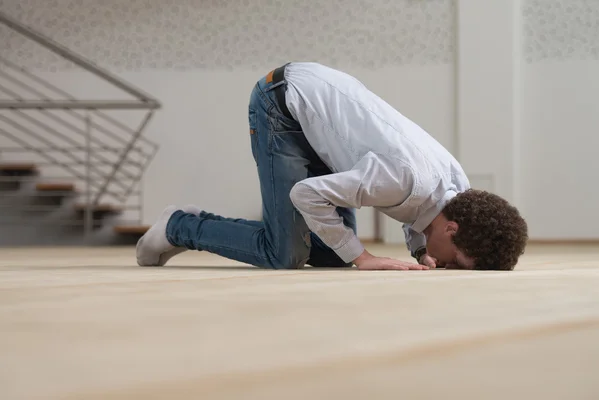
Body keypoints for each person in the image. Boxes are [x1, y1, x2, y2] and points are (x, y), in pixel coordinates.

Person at [136, 62, 528, 271]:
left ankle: (185, 226)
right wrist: (364, 258)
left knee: (328, 254)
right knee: (284, 255)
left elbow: (420, 220)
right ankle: (179, 225)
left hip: (320, 106)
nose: (445, 267)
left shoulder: (453, 191)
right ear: (453, 228)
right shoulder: (404, 179)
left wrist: (419, 252)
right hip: (283, 102)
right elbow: (305, 194)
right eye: (455, 262)